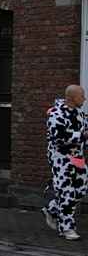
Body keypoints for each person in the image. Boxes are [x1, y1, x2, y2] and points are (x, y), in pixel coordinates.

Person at [41, 85, 88, 241]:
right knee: (66, 191)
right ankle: (67, 228)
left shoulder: (80, 114)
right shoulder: (55, 113)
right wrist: (82, 136)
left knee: (81, 188)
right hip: (61, 158)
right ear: (72, 98)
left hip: (77, 157)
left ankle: (52, 209)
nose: (85, 99)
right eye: (82, 96)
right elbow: (60, 136)